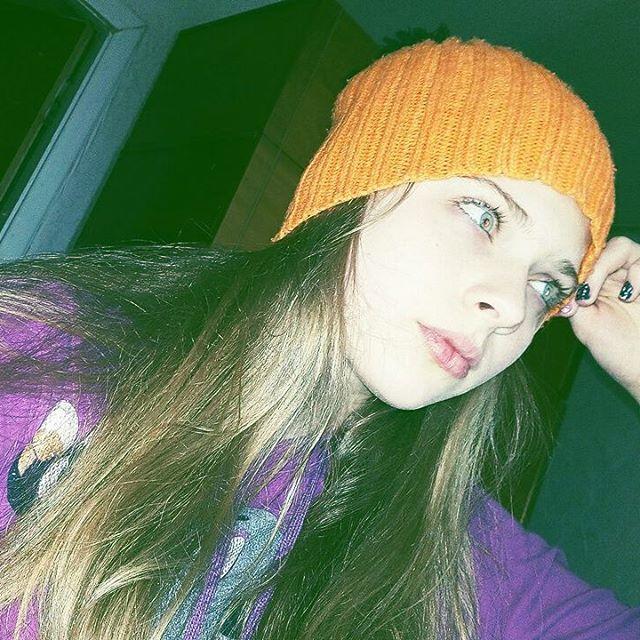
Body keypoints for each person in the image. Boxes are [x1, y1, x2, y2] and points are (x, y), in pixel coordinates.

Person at [0, 35, 638, 640]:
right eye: (482, 215)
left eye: (546, 286)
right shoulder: (42, 353)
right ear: (353, 189)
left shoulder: (449, 547)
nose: (510, 307)